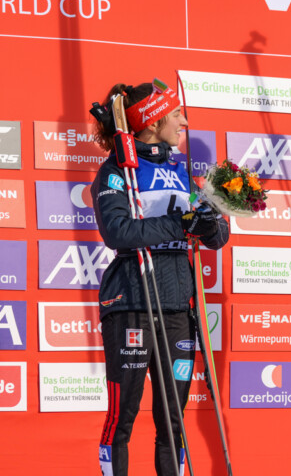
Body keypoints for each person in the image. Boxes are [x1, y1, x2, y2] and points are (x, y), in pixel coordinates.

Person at [90, 81, 229, 476]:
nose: (183, 122)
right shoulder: (118, 170)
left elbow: (218, 237)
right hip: (131, 303)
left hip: (176, 308)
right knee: (123, 416)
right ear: (152, 122)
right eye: (176, 115)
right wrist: (178, 223)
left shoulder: (181, 172)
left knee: (173, 419)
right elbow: (117, 232)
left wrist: (208, 221)